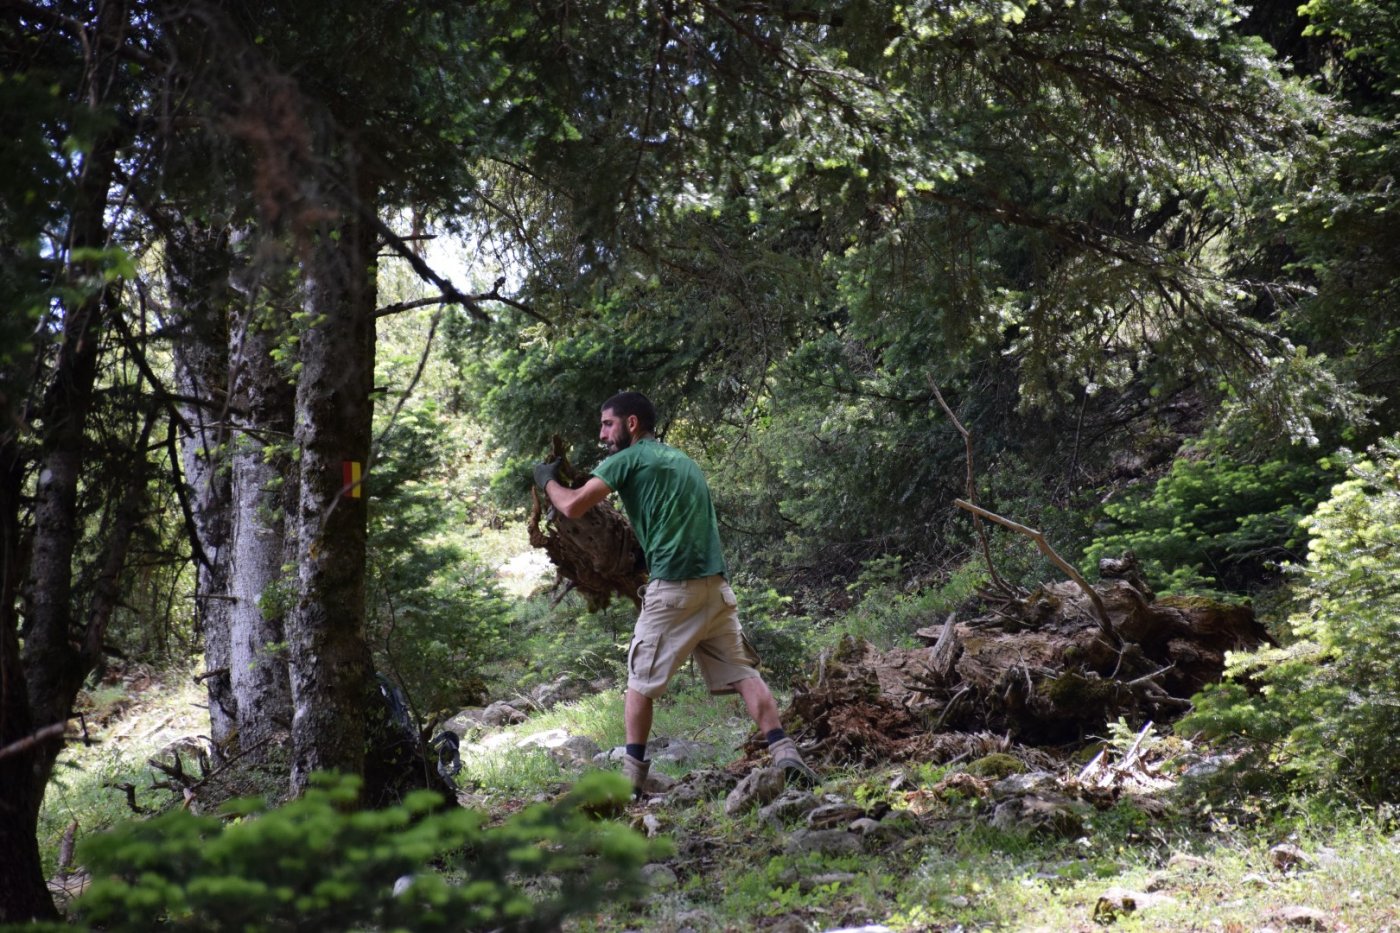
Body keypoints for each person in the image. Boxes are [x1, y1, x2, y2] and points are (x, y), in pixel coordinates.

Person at [534, 391, 817, 797]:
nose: (602, 434)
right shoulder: (683, 461)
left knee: (639, 682)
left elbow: (575, 506)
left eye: (608, 424)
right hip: (716, 588)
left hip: (673, 590)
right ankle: (785, 752)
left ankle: (630, 779)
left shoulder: (628, 459)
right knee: (743, 674)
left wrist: (546, 481)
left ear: (632, 423)